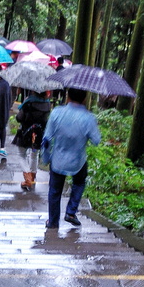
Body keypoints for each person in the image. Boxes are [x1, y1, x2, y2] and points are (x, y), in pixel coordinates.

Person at [42, 88, 101, 228]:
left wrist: (46, 158)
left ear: (67, 96)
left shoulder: (56, 112)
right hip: (78, 161)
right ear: (85, 99)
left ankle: (53, 222)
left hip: (57, 159)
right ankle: (71, 211)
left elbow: (47, 138)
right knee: (79, 183)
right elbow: (96, 140)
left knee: (55, 190)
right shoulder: (88, 118)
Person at [12, 90, 51, 190]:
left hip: (25, 133)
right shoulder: (47, 104)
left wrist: (24, 104)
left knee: (21, 155)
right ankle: (32, 177)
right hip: (38, 134)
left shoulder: (28, 102)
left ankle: (27, 177)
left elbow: (19, 118)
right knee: (34, 155)